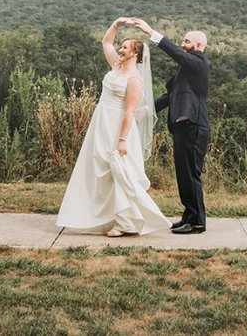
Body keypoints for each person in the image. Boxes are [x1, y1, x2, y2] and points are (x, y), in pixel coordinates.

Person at [55, 17, 170, 237]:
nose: (120, 49)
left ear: (135, 54)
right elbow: (106, 43)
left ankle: (124, 223)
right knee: (99, 168)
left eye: (125, 47)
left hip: (119, 129)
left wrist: (122, 140)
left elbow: (129, 112)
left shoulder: (135, 79)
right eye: (122, 46)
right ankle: (100, 217)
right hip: (101, 124)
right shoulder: (115, 66)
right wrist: (116, 23)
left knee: (119, 171)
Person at [129, 18, 209, 234]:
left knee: (191, 173)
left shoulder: (199, 62)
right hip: (182, 126)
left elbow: (176, 53)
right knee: (183, 173)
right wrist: (146, 110)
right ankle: (189, 215)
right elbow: (170, 96)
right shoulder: (187, 69)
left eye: (187, 41)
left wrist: (150, 32)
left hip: (194, 125)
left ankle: (198, 222)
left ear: (198, 46)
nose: (183, 44)